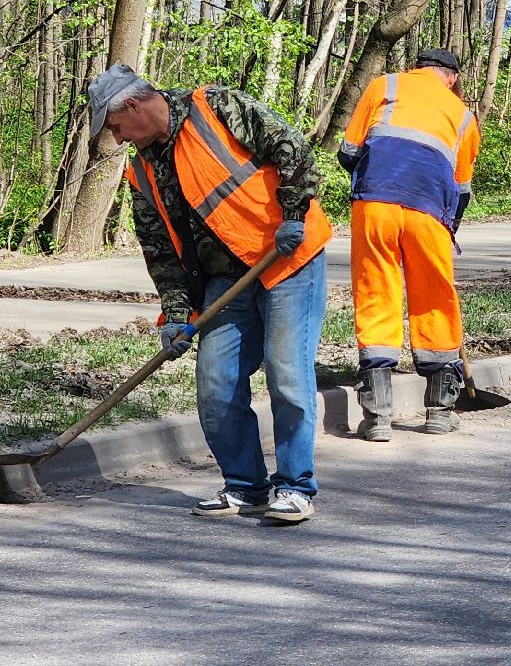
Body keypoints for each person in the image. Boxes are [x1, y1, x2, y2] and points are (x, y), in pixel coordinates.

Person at [89, 64, 333, 523]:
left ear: (134, 105)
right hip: (226, 279)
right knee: (217, 384)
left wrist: (294, 214)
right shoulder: (142, 172)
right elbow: (160, 250)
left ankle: (296, 488)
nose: (118, 140)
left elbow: (293, 148)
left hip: (286, 259)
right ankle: (246, 487)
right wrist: (177, 314)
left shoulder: (216, 107)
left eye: (117, 128)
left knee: (286, 374)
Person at [338, 49, 482, 440]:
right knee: (434, 296)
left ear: (419, 69)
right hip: (429, 214)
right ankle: (438, 410)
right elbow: (462, 190)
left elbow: (347, 153)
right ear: (451, 78)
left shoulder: (386, 85)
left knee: (376, 292)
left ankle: (377, 417)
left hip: (375, 206)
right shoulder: (464, 116)